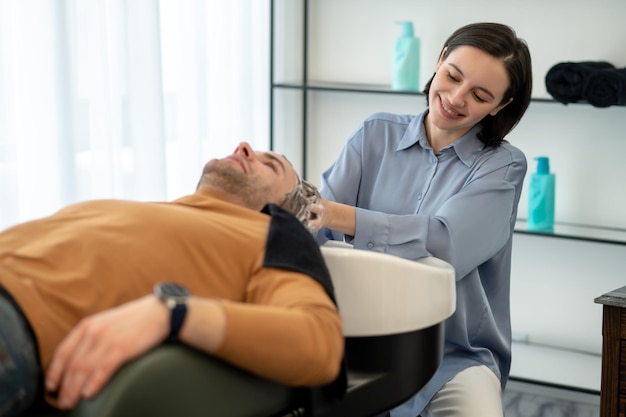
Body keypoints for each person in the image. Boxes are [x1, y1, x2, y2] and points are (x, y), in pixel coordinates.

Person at [0, 142, 346, 417]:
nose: (244, 147)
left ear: (284, 209)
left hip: (16, 318)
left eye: (271, 165)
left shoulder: (274, 236)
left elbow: (319, 341)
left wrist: (174, 312)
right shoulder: (162, 212)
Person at [310, 22, 533, 417]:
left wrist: (338, 215)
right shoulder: (374, 134)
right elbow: (313, 225)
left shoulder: (502, 166)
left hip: (455, 355)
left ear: (500, 105)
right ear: (441, 57)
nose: (455, 98)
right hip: (361, 335)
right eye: (452, 76)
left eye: (480, 95)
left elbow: (445, 245)